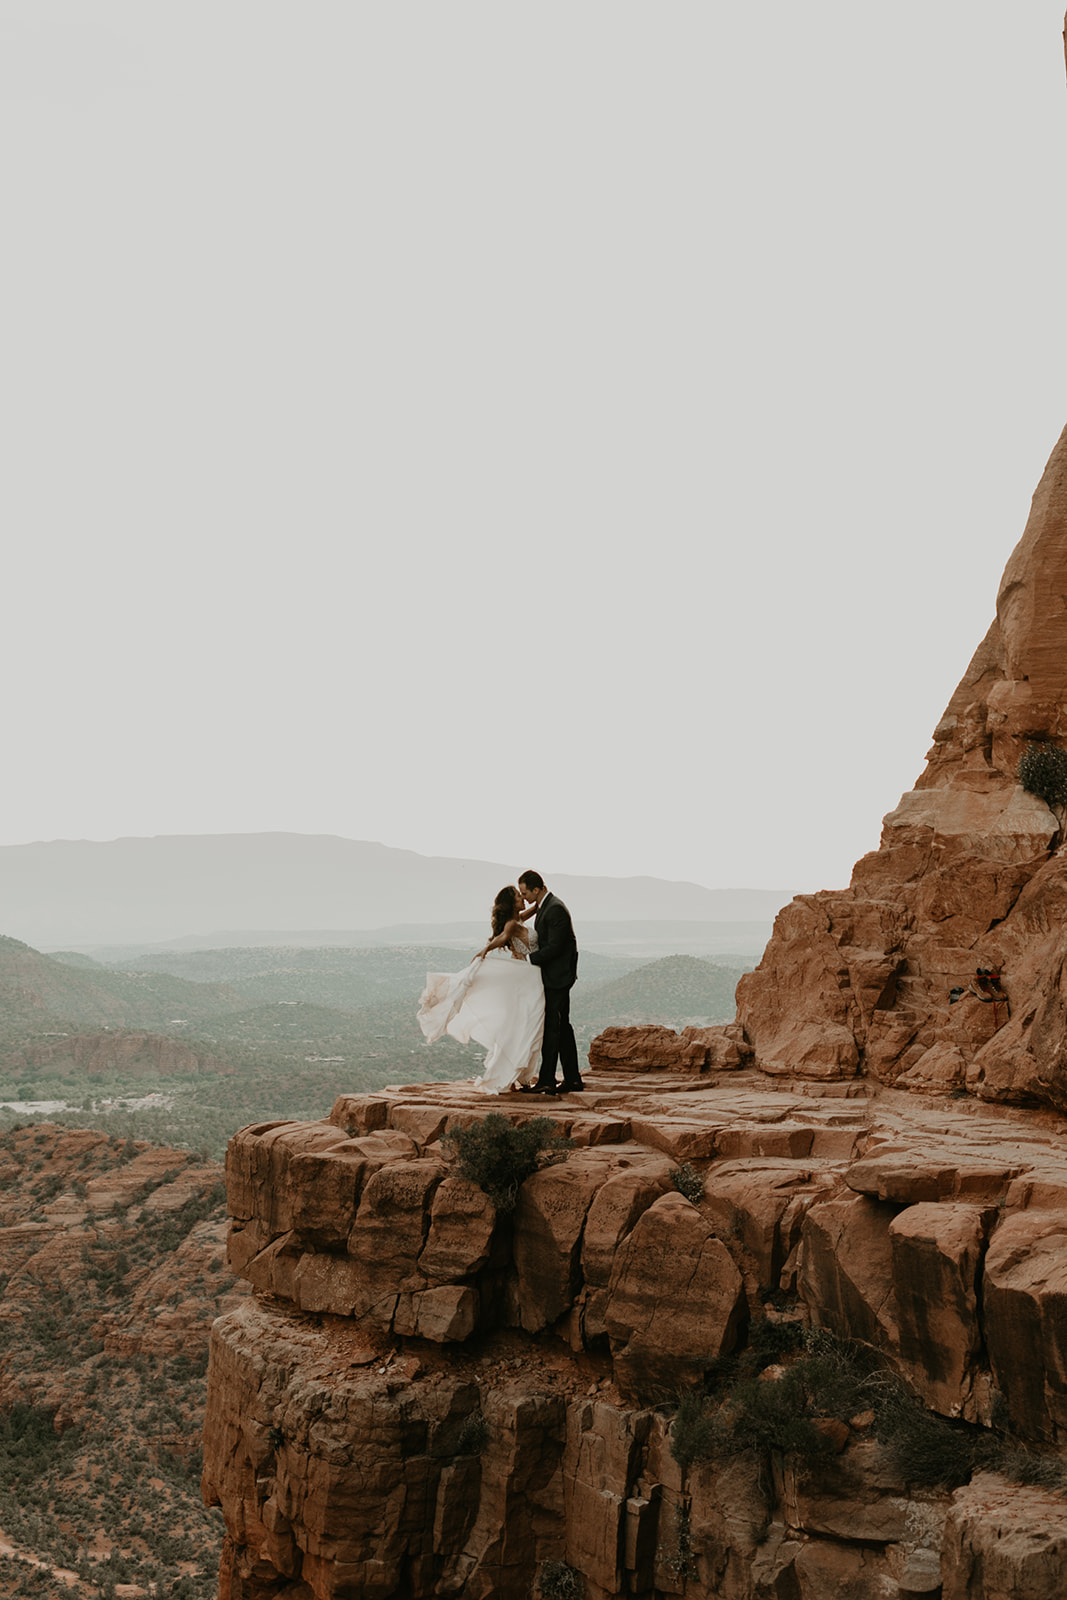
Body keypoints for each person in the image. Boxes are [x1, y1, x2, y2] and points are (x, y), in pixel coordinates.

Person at [416, 885, 545, 1093]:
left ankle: (517, 1075)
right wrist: (484, 950)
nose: (522, 898)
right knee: (528, 1024)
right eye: (518, 896)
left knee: (529, 1024)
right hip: (526, 975)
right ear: (512, 902)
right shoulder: (512, 924)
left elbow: (537, 908)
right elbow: (502, 938)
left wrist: (541, 898)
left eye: (523, 895)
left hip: (530, 975)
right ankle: (515, 1075)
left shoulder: (519, 918)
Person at [517, 870, 584, 1095]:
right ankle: (573, 1079)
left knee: (553, 1029)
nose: (523, 896)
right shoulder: (547, 905)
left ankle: (547, 1080)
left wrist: (527, 959)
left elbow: (555, 947)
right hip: (555, 976)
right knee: (562, 1028)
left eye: (525, 892)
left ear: (537, 889)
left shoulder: (554, 908)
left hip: (557, 978)